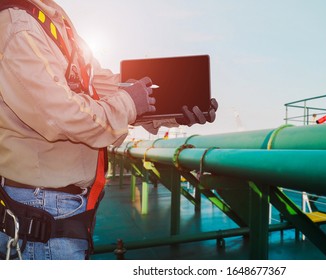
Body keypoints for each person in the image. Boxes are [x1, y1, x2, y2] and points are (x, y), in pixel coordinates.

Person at [0, 0, 217, 260]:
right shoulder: (18, 26)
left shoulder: (54, 22)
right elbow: (60, 115)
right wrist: (129, 103)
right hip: (41, 208)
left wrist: (173, 112)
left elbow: (103, 88)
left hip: (61, 206)